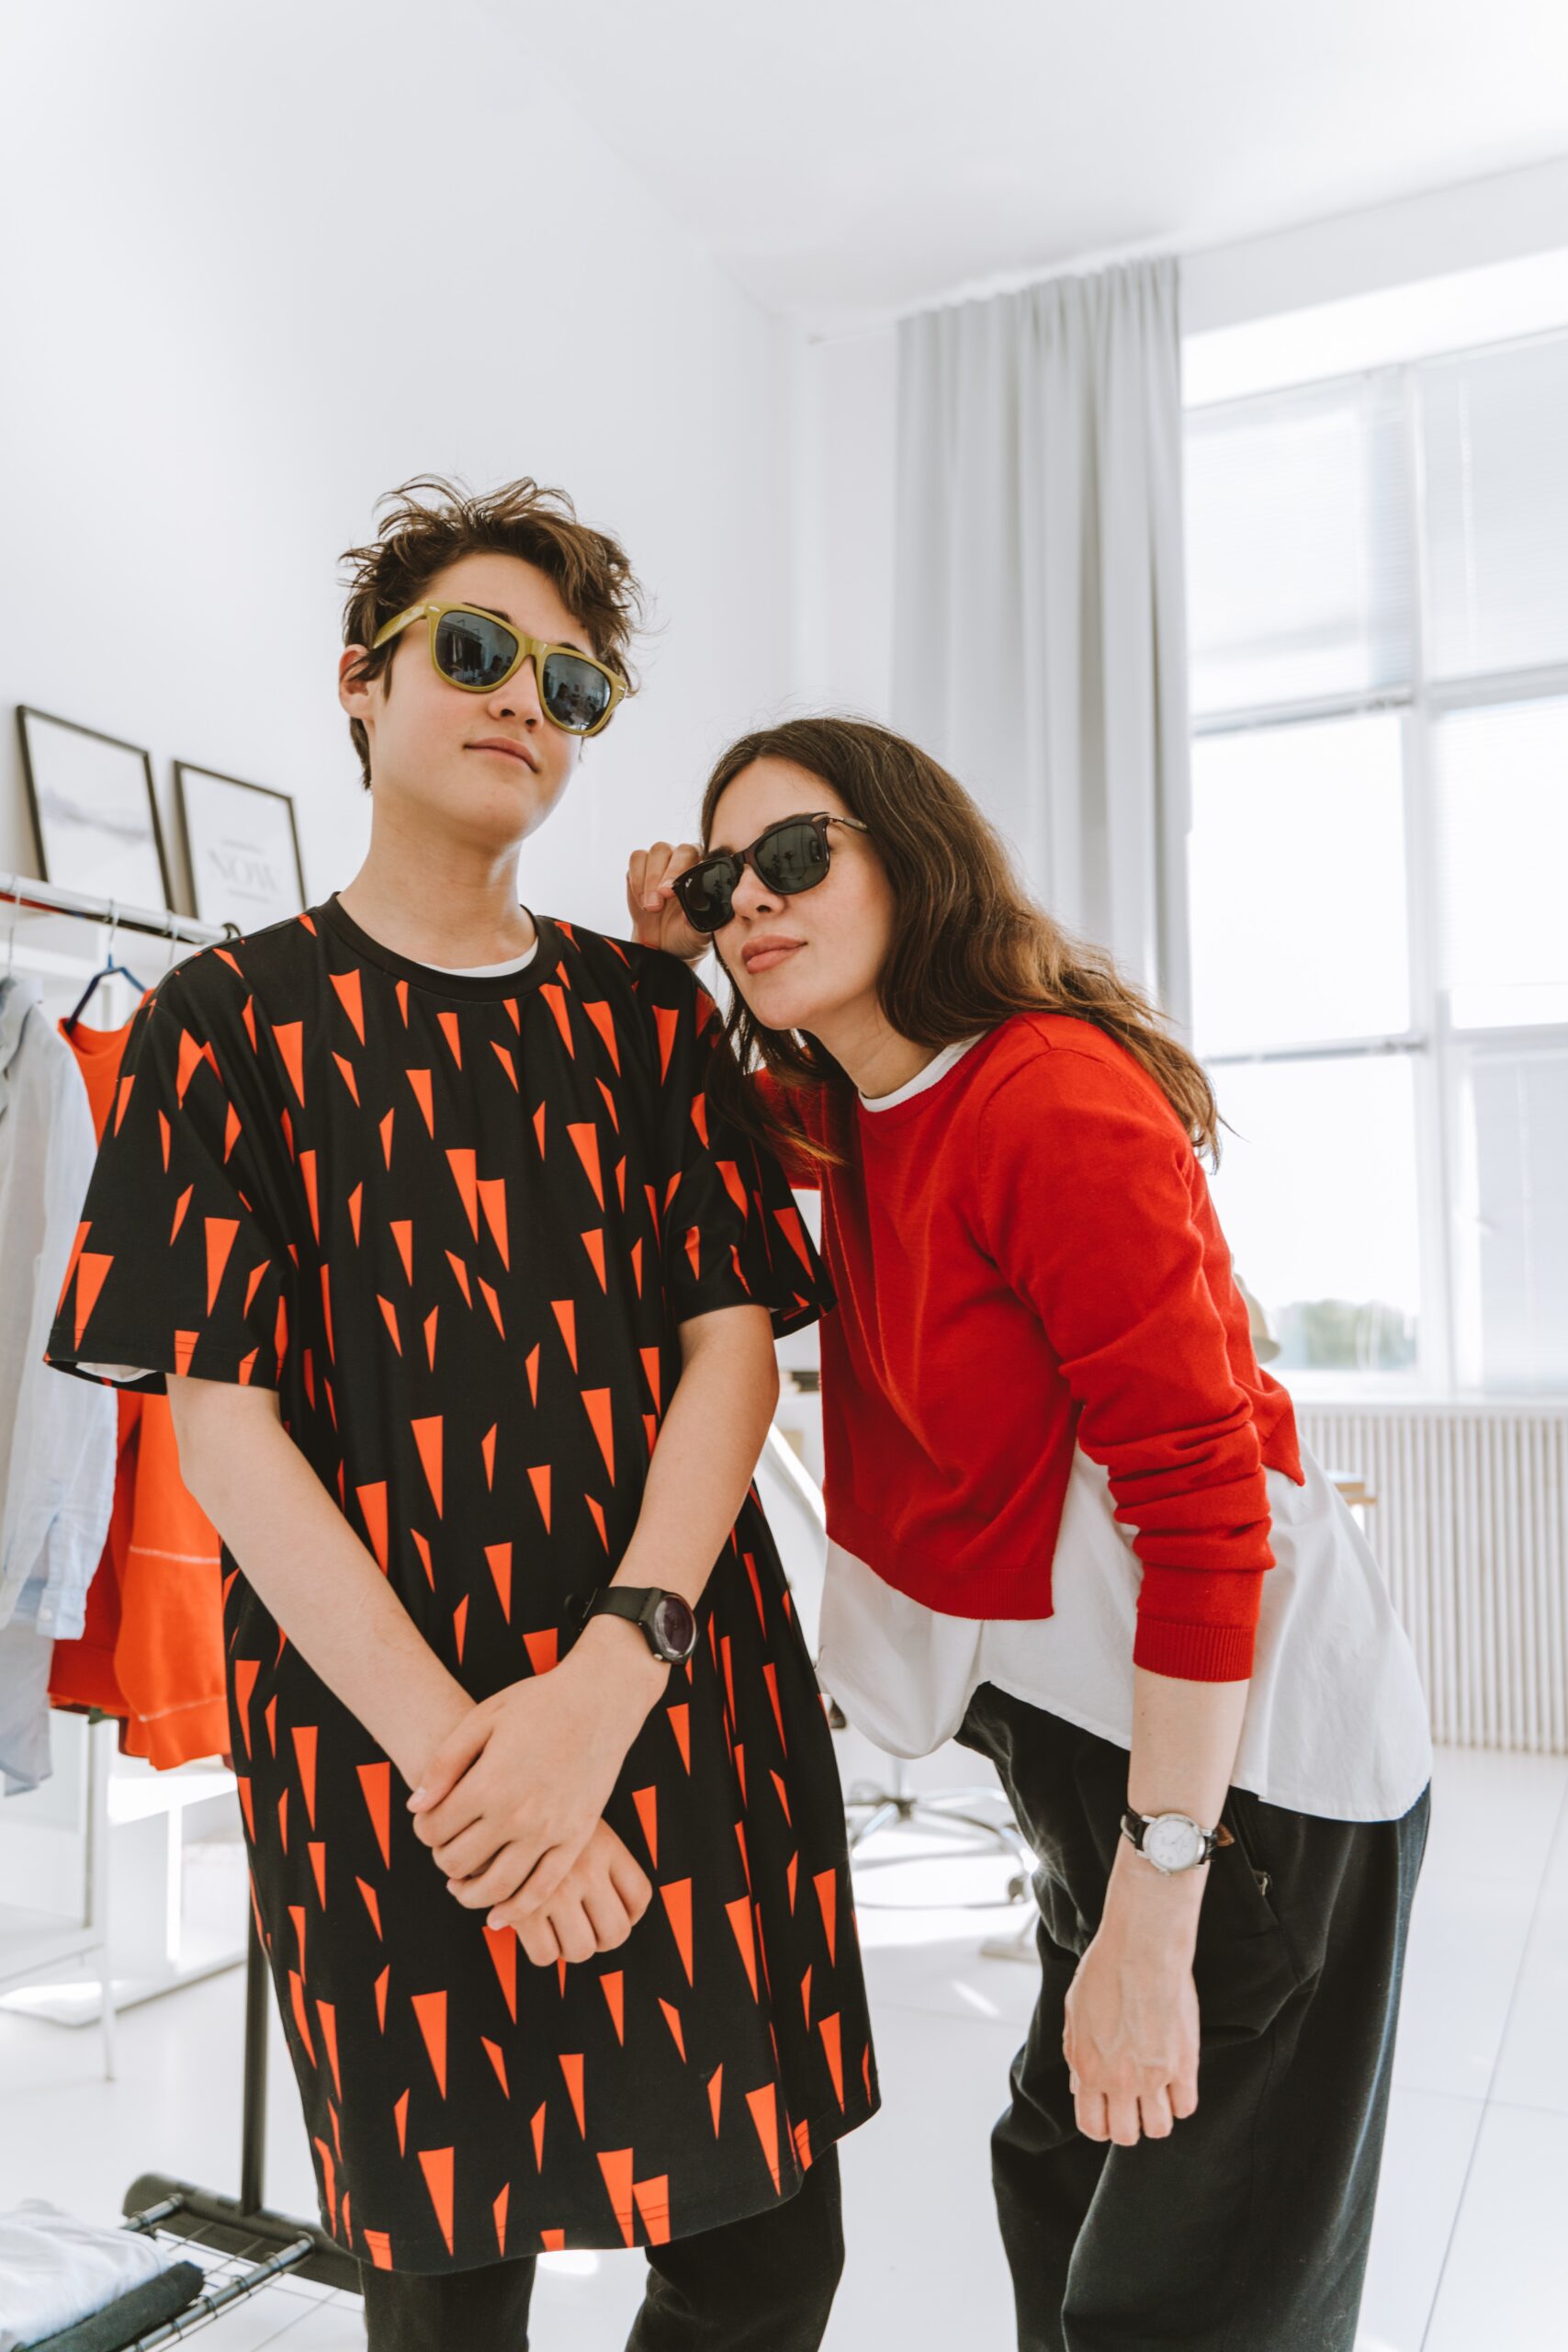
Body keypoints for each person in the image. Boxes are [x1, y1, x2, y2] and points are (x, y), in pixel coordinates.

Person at [45, 485, 877, 2352]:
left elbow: (733, 1354)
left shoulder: (645, 1019)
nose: (524, 701)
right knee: (446, 2285)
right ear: (362, 680)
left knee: (762, 2262)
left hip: (673, 1695)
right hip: (389, 1751)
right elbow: (225, 1427)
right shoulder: (221, 1018)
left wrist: (606, 1684)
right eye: (480, 651)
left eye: (569, 686)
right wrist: (483, 1777)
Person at [626, 716, 1433, 2352]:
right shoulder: (861, 1102)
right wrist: (663, 967)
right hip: (1094, 1743)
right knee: (1059, 2185)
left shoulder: (1044, 1095)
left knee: (1180, 2298)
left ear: (912, 858)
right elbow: (682, 1125)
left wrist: (1158, 1898)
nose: (753, 901)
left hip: (1249, 1776)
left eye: (796, 856)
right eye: (723, 882)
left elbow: (1205, 1514)